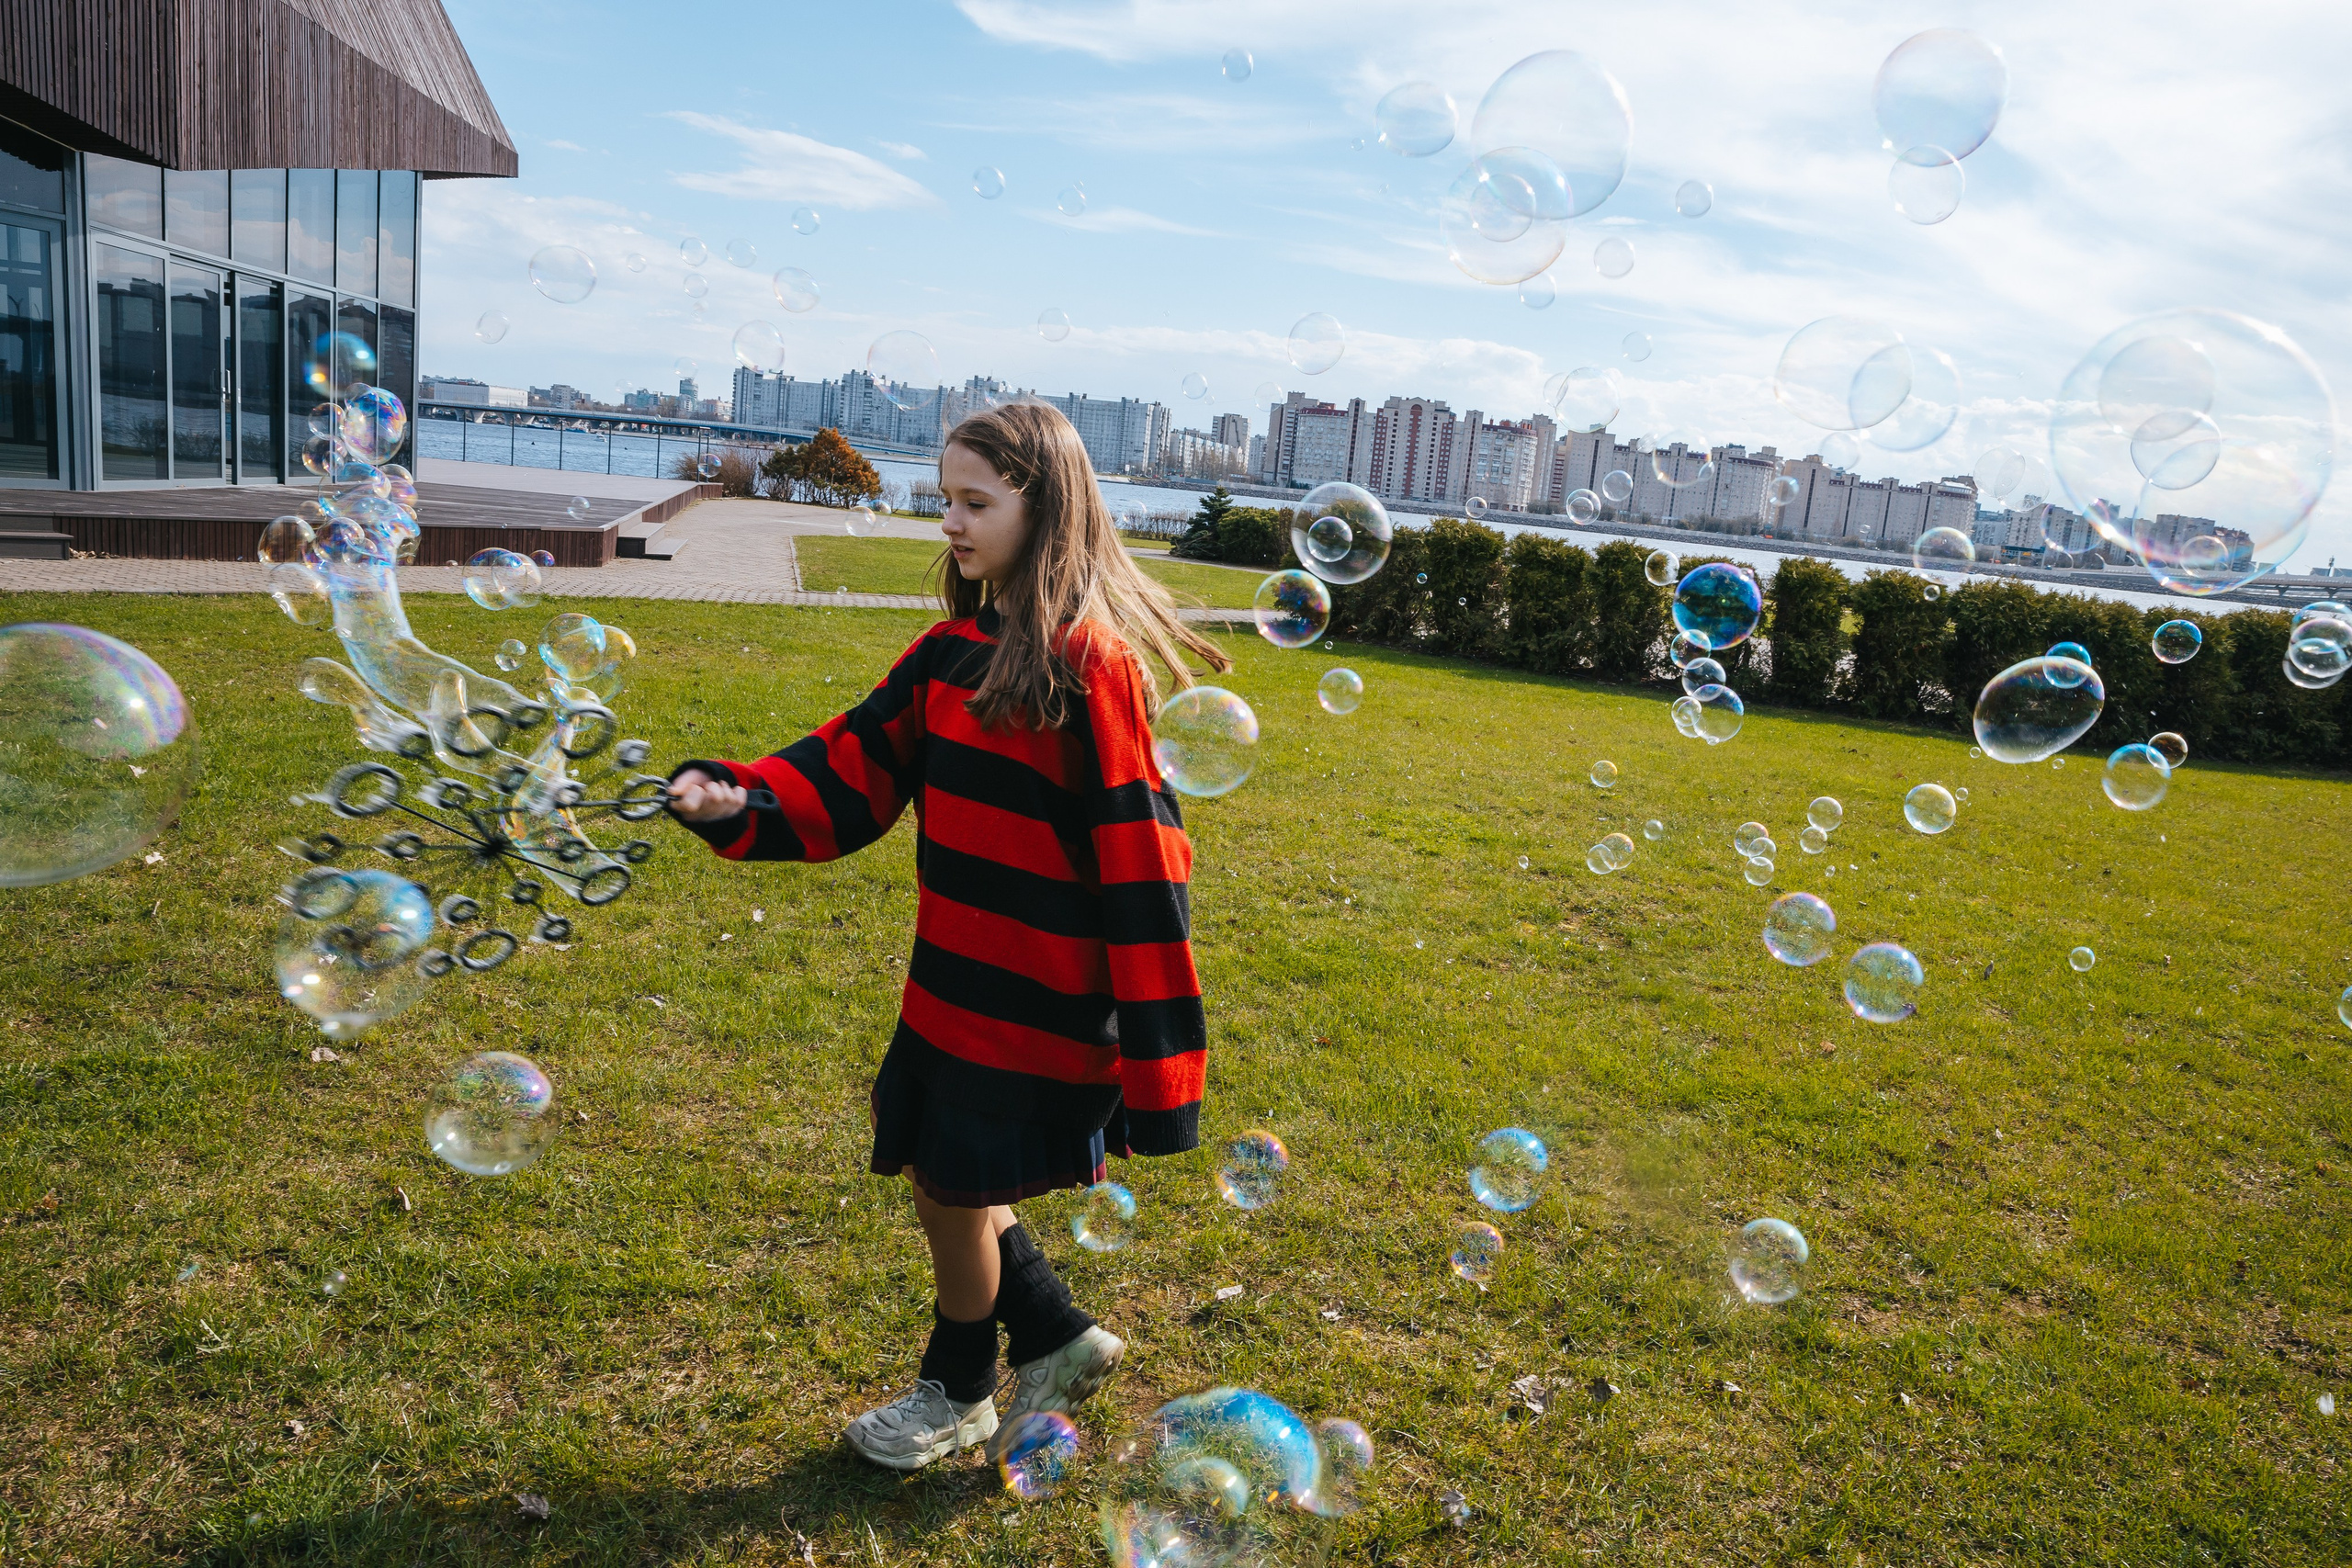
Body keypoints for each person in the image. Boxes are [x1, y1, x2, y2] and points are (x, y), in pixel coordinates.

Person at [666, 401, 1231, 1472]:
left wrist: (1161, 1060)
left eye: (976, 502)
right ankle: (1056, 1335)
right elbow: (846, 770)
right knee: (945, 1173)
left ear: (1048, 507)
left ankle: (960, 1387)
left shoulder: (1090, 666)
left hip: (1038, 1008)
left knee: (953, 1186)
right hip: (950, 992)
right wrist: (735, 799)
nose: (950, 524)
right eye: (944, 501)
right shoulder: (944, 657)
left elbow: (1145, 865)